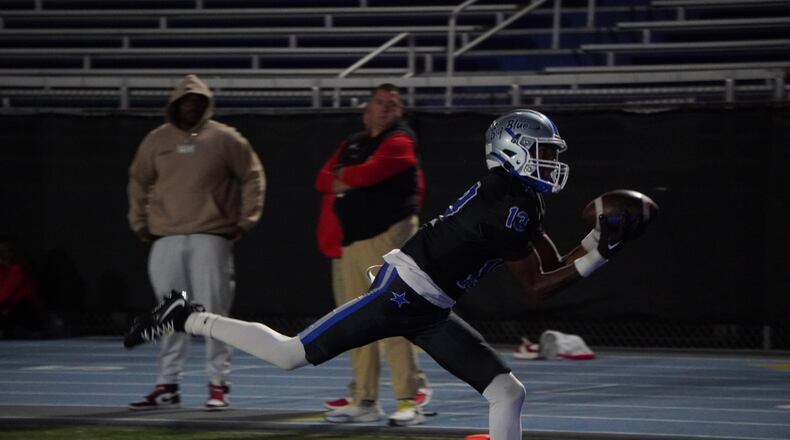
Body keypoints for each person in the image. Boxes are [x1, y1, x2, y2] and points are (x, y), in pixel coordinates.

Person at [124, 109, 641, 438]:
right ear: (513, 150)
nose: (552, 163)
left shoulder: (519, 199)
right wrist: (602, 251)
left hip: (431, 307)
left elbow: (549, 267)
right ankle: (187, 315)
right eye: (544, 153)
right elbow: (538, 286)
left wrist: (598, 245)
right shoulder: (510, 205)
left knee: (508, 393)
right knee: (290, 354)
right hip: (405, 293)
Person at [126, 74, 265, 411]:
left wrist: (247, 219)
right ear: (175, 104)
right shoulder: (157, 139)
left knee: (215, 313)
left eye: (197, 101)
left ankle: (219, 385)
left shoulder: (224, 138)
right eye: (186, 101)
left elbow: (253, 175)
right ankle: (168, 384)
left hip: (210, 235)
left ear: (206, 104)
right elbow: (138, 181)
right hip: (166, 237)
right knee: (169, 313)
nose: (191, 107)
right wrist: (139, 221)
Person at [313, 84, 431, 426]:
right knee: (355, 322)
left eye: (392, 104)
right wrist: (346, 179)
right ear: (366, 111)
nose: (386, 108)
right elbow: (321, 179)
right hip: (353, 242)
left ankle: (408, 400)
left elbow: (369, 173)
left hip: (386, 237)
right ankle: (365, 400)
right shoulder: (354, 142)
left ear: (401, 111)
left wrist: (344, 178)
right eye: (380, 102)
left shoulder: (400, 139)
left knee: (391, 317)